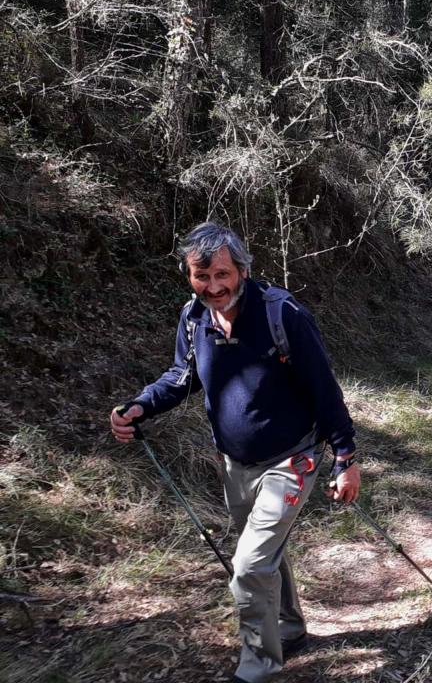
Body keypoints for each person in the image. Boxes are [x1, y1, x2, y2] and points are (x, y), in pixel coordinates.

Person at [109, 222, 360, 683]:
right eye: (201, 277)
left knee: (247, 565)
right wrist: (141, 405)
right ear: (190, 275)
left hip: (293, 458)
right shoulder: (193, 318)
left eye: (222, 274)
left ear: (242, 269)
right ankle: (289, 628)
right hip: (234, 462)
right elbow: (181, 378)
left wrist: (346, 457)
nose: (213, 286)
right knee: (265, 554)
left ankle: (257, 667)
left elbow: (325, 390)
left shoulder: (282, 315)